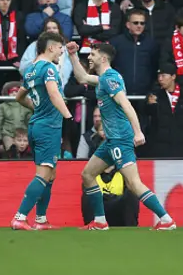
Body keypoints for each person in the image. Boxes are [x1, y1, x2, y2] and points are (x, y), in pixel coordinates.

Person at [66, 42, 176, 230]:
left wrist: (138, 131)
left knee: (133, 183)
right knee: (88, 174)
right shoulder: (103, 79)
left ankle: (166, 219)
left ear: (103, 58)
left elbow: (126, 105)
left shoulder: (110, 79)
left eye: (92, 54)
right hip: (111, 140)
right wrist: (72, 55)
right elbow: (82, 76)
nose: (89, 58)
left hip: (120, 139)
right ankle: (100, 221)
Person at [11, 32, 74, 231]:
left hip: (37, 125)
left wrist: (36, 108)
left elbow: (19, 97)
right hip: (48, 127)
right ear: (50, 48)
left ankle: (40, 220)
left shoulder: (30, 70)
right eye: (60, 48)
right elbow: (54, 93)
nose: (61, 51)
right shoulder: (49, 68)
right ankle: (19, 217)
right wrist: (67, 116)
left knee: (50, 174)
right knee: (43, 173)